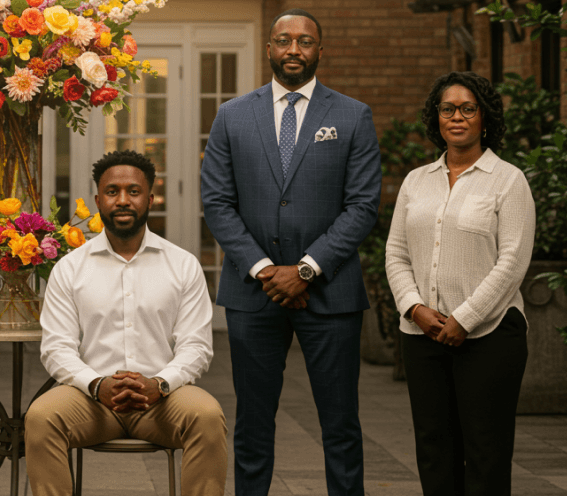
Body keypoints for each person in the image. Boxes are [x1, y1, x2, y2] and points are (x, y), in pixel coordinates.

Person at [200, 9, 382, 496]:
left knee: (341, 425)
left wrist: (305, 269)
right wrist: (265, 271)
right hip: (252, 294)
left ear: (320, 50)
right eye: (284, 41)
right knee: (253, 425)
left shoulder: (351, 115)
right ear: (269, 49)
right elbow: (216, 202)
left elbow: (363, 206)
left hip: (332, 293)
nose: (294, 50)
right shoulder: (232, 115)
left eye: (305, 41)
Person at [26, 150, 228, 496]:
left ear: (150, 198)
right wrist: (97, 384)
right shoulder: (70, 268)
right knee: (41, 417)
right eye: (112, 192)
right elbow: (57, 347)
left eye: (133, 192)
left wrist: (160, 384)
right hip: (91, 402)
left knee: (207, 415)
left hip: (163, 401)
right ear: (97, 200)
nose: (123, 200)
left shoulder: (182, 265)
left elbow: (196, 346)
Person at [385, 71, 534, 496]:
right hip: (421, 334)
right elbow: (396, 253)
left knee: (486, 454)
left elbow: (512, 262)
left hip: (489, 338)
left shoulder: (507, 181)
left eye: (468, 109)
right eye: (448, 109)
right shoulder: (417, 181)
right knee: (434, 451)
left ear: (484, 118)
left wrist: (463, 319)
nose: (457, 117)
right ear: (437, 118)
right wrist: (415, 309)